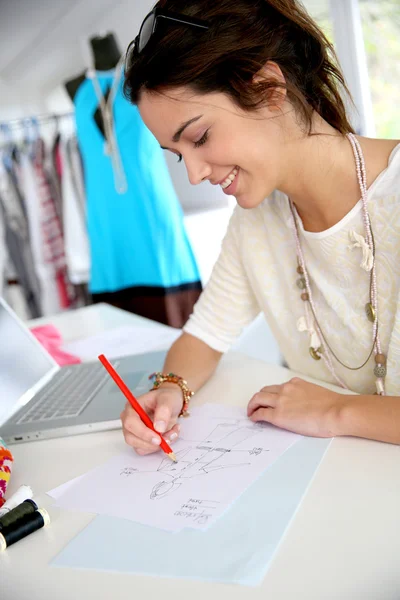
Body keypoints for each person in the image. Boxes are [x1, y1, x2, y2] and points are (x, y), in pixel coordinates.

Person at [120, 0, 400, 454]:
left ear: (270, 89)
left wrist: (335, 411)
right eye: (178, 154)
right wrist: (170, 390)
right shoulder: (260, 218)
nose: (193, 174)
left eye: (199, 138)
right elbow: (205, 335)